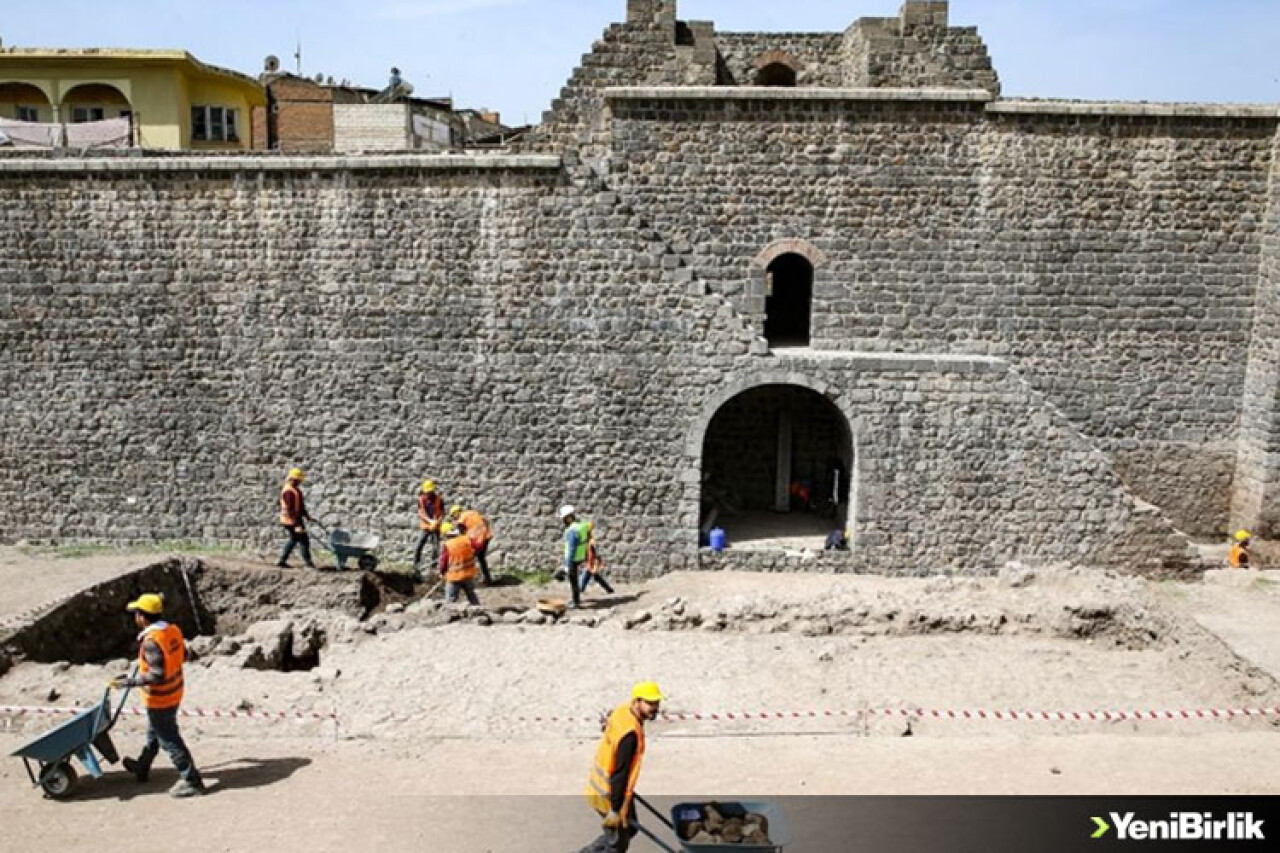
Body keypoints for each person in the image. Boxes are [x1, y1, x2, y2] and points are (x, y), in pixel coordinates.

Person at [113, 594, 205, 798]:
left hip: (160, 698)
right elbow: (185, 655)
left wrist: (129, 682)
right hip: (175, 691)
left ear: (143, 617)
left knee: (168, 739)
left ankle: (192, 780)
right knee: (154, 732)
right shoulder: (172, 631)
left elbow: (156, 675)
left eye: (137, 613)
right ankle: (142, 766)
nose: (135, 617)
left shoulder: (151, 641)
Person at [579, 682, 665, 853]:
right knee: (618, 844)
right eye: (650, 703)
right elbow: (620, 773)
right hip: (608, 792)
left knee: (629, 829)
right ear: (637, 701)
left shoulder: (623, 711)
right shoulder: (630, 735)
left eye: (656, 703)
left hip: (607, 788)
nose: (654, 707)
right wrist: (615, 810)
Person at [561, 505, 608, 608]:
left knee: (573, 581)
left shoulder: (572, 530)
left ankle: (575, 602)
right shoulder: (581, 526)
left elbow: (572, 548)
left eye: (564, 518)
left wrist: (567, 564)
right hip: (581, 555)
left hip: (573, 558)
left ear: (569, 518)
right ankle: (578, 596)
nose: (563, 521)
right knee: (583, 575)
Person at [278, 467, 316, 569]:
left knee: (294, 539)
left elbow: (300, 506)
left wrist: (307, 516)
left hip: (295, 519)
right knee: (303, 540)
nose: (299, 482)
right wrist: (296, 525)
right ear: (293, 479)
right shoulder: (288, 491)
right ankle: (308, 564)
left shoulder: (296, 490)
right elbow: (290, 510)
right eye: (298, 480)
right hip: (290, 520)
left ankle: (282, 560)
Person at [438, 521, 481, 605]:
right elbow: (477, 546)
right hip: (468, 574)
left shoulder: (448, 545)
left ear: (445, 534)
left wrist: (442, 572)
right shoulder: (466, 539)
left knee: (450, 600)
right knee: (472, 595)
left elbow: (444, 562)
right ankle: (478, 610)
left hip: (454, 577)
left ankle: (449, 614)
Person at [413, 480, 446, 576]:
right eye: (427, 492)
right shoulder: (421, 499)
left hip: (436, 526)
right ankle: (416, 568)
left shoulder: (439, 499)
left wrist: (438, 521)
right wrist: (430, 521)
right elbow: (420, 513)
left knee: (436, 548)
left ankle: (433, 568)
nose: (428, 494)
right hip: (426, 526)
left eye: (430, 492)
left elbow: (442, 513)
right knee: (418, 546)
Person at [457, 506, 495, 585]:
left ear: (456, 513)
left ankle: (467, 580)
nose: (455, 518)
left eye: (454, 516)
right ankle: (487, 579)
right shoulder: (473, 512)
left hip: (478, 540)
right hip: (486, 536)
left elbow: (461, 530)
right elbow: (485, 520)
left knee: (469, 558)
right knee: (481, 558)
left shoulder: (462, 516)